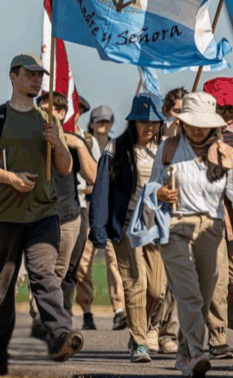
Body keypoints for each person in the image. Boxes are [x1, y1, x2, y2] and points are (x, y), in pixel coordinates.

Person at [0, 53, 85, 375]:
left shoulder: (48, 118)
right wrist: (11, 178)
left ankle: (62, 334)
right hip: (5, 215)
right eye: (30, 74)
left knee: (44, 274)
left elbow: (65, 168)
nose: (37, 80)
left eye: (40, 75)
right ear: (13, 76)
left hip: (43, 214)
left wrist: (59, 143)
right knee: (1, 287)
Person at [143, 92, 233, 376]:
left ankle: (184, 354)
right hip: (175, 225)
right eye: (192, 122)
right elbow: (151, 187)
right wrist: (160, 192)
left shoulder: (224, 152)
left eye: (203, 123)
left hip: (212, 228)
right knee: (189, 295)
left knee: (206, 297)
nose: (197, 128)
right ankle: (196, 351)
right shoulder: (168, 148)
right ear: (182, 122)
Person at [89, 94, 178, 364]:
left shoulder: (166, 149)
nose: (148, 127)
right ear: (132, 122)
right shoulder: (116, 149)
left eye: (153, 121)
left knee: (157, 290)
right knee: (135, 282)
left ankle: (139, 327)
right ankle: (139, 341)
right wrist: (98, 227)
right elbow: (101, 189)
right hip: (125, 223)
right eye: (142, 121)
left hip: (155, 224)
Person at [29, 91, 96, 340]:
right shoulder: (29, 139)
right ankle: (44, 320)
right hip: (37, 214)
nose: (50, 113)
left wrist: (78, 145)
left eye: (56, 109)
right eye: (43, 108)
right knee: (41, 270)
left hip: (68, 216)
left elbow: (94, 177)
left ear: (62, 113)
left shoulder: (74, 140)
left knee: (60, 273)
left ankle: (52, 322)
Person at [202, 77, 233, 359]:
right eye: (223, 107)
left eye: (232, 108)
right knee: (216, 278)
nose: (228, 112)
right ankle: (217, 337)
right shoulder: (199, 134)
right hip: (208, 212)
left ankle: (231, 316)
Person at [73, 105, 127, 332]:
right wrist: (94, 187)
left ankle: (119, 310)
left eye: (107, 121)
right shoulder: (83, 144)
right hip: (88, 209)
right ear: (92, 123)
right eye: (99, 121)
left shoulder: (119, 146)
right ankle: (87, 311)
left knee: (115, 262)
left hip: (112, 210)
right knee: (84, 263)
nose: (103, 125)